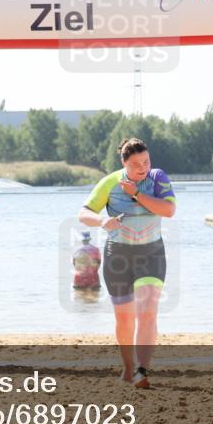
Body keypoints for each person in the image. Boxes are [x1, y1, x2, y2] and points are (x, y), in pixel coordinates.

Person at [78, 138, 176, 388]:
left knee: (148, 308)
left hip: (151, 253)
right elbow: (84, 213)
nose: (142, 168)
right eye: (135, 165)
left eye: (146, 161)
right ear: (123, 164)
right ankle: (128, 366)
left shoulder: (158, 178)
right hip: (118, 255)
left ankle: (142, 370)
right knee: (124, 318)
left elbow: (168, 210)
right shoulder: (110, 182)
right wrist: (101, 221)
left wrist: (137, 193)